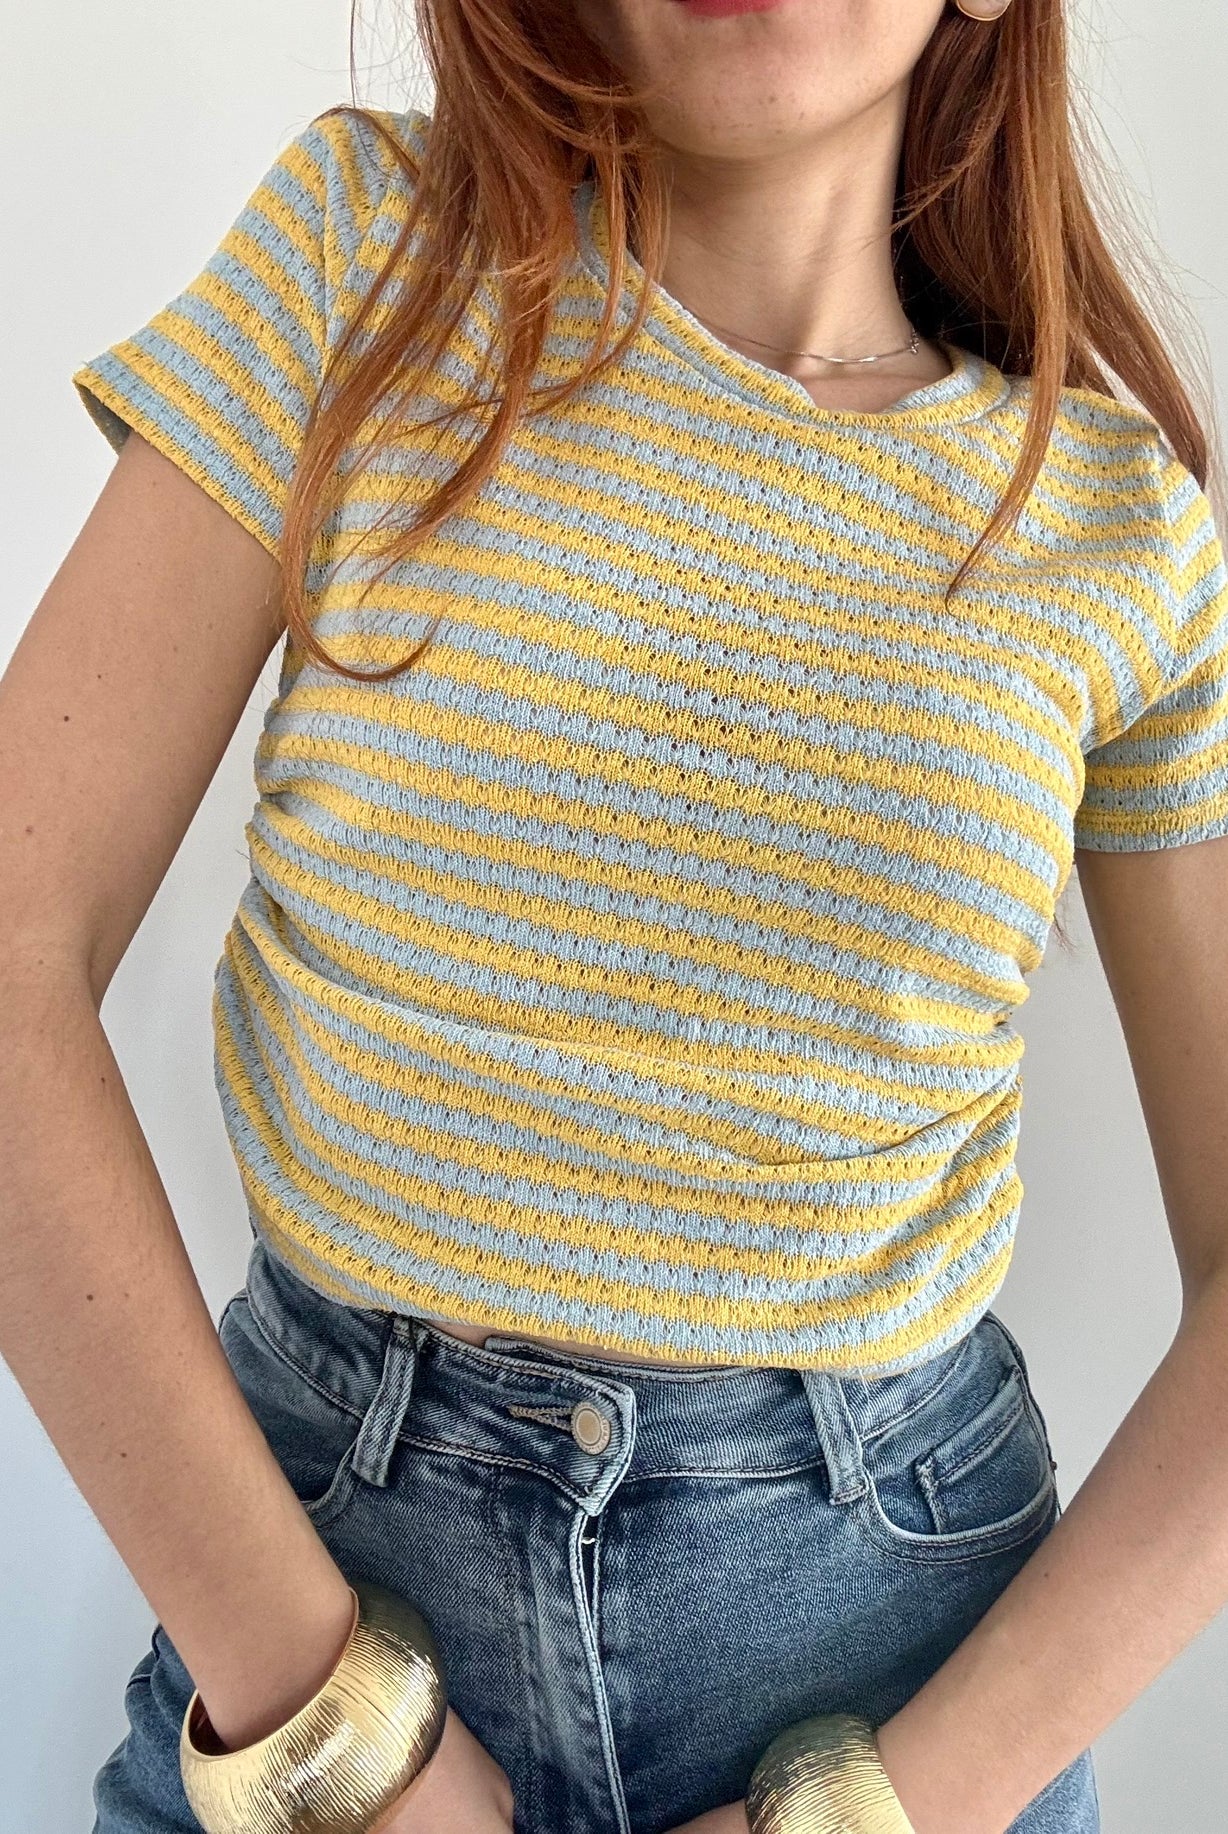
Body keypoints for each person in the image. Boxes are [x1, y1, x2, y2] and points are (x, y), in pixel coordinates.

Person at [4, 0, 1228, 1828]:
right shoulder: (363, 264)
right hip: (313, 1611)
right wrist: (330, 1727)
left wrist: (883, 1808)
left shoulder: (1120, 528)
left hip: (895, 1672)